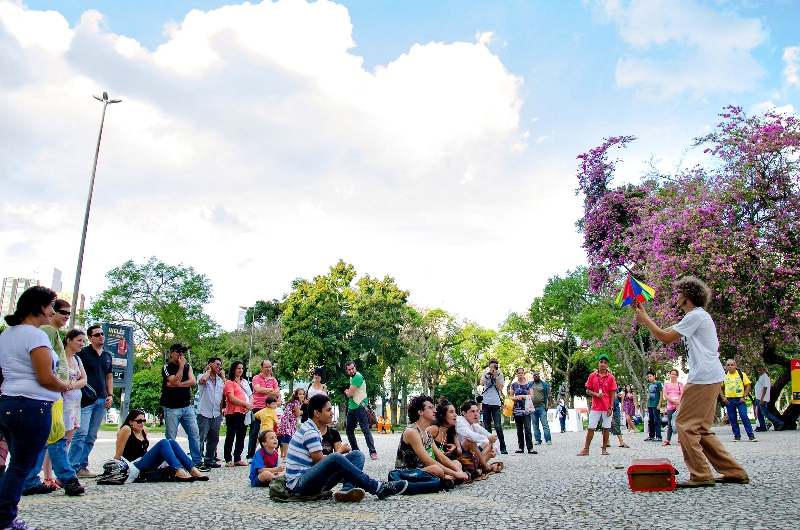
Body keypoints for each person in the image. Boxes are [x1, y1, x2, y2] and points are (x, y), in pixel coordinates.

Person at [634, 275, 749, 487]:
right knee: (701, 429)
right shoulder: (695, 317)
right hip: (710, 376)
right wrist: (644, 315)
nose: (676, 297)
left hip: (704, 377)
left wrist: (645, 320)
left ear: (688, 297)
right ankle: (734, 472)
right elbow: (666, 332)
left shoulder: (696, 316)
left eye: (679, 293)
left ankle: (701, 474)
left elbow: (666, 339)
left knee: (684, 424)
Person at [0, 286, 72, 530]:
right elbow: (45, 377)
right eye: (51, 306)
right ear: (40, 308)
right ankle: (5, 519)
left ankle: (5, 516)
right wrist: (64, 385)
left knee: (16, 465)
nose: (53, 312)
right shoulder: (37, 335)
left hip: (9, 403)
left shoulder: (7, 334)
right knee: (21, 467)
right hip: (32, 406)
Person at [286, 393, 407, 502]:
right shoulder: (310, 432)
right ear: (317, 413)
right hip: (300, 485)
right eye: (328, 410)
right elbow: (318, 462)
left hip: (311, 480)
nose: (332, 413)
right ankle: (378, 487)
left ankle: (347, 490)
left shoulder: (312, 429)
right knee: (335, 458)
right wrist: (338, 454)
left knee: (357, 455)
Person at [22, 301, 86, 497]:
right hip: (50, 394)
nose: (66, 316)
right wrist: (59, 385)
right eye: (62, 312)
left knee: (47, 438)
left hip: (54, 393)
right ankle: (67, 478)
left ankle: (31, 480)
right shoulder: (48, 331)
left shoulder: (51, 333)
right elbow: (45, 363)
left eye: (69, 313)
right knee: (57, 438)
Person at [114, 409, 208, 483]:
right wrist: (115, 469)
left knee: (171, 442)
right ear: (130, 422)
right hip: (133, 465)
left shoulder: (143, 430)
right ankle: (178, 470)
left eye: (144, 420)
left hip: (143, 461)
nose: (142, 423)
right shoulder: (126, 429)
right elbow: (119, 453)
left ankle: (192, 469)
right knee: (163, 442)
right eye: (139, 421)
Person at [69, 324, 113, 478]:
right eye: (97, 335)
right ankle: (72, 467)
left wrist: (110, 395)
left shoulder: (108, 355)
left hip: (102, 399)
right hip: (86, 398)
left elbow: (109, 376)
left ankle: (82, 466)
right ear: (90, 338)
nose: (101, 336)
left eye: (102, 334)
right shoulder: (83, 353)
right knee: (80, 433)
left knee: (91, 436)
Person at [395, 396, 468, 488]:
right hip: (407, 473)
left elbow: (440, 457)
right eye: (430, 408)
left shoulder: (426, 432)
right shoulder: (412, 431)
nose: (435, 411)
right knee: (436, 469)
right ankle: (446, 480)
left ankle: (446, 480)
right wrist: (456, 474)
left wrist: (458, 471)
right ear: (420, 412)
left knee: (457, 464)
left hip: (423, 470)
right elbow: (428, 461)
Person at [161, 344, 202, 468]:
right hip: (171, 407)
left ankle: (197, 461)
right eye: (178, 352)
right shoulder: (167, 367)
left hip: (186, 406)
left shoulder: (188, 367)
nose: (181, 355)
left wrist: (176, 385)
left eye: (182, 352)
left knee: (194, 433)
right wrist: (180, 368)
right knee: (171, 437)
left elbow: (193, 382)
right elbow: (175, 380)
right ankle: (170, 461)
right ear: (171, 353)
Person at [577, 354, 617, 456]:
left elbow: (613, 393)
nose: (603, 364)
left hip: (607, 406)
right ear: (598, 363)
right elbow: (588, 390)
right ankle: (586, 449)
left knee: (606, 427)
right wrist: (596, 394)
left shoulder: (611, 378)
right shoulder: (592, 376)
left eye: (605, 362)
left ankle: (604, 448)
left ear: (607, 365)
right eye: (601, 362)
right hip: (596, 406)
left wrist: (611, 407)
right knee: (591, 427)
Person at [456, 400, 502, 474]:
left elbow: (493, 437)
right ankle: (485, 467)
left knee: (489, 443)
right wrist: (487, 439)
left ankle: (479, 467)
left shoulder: (474, 425)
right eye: (472, 411)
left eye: (477, 411)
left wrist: (495, 448)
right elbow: (470, 435)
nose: (476, 414)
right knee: (469, 441)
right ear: (464, 413)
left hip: (471, 454)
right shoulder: (460, 421)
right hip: (460, 455)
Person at [343, 361, 377, 459]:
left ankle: (373, 451)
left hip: (360, 407)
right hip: (352, 407)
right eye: (349, 370)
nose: (351, 371)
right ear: (347, 371)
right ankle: (356, 451)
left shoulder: (357, 377)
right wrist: (349, 392)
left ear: (355, 368)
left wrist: (346, 392)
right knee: (349, 431)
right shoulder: (352, 378)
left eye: (352, 368)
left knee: (365, 430)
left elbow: (349, 394)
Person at [195, 357, 224, 471]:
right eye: (216, 364)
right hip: (204, 412)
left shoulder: (220, 380)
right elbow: (202, 381)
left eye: (220, 365)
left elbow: (223, 395)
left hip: (216, 413)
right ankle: (197, 460)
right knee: (201, 438)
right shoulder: (203, 377)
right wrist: (208, 371)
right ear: (210, 364)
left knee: (214, 439)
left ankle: (209, 460)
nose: (219, 367)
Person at [248, 360, 280, 460]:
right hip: (257, 408)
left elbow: (277, 393)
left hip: (269, 410)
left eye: (270, 367)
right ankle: (250, 455)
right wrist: (270, 391)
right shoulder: (256, 378)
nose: (268, 369)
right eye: (266, 367)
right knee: (254, 432)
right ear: (261, 368)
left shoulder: (273, 380)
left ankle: (266, 455)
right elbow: (257, 389)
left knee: (268, 433)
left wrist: (265, 391)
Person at [720, 360, 756, 442]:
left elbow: (748, 385)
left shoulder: (741, 374)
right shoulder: (724, 376)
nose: (730, 366)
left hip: (740, 399)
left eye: (732, 365)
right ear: (726, 367)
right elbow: (720, 387)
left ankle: (751, 435)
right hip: (729, 400)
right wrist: (723, 398)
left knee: (744, 416)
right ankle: (737, 436)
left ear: (735, 366)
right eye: (728, 365)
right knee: (732, 418)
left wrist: (744, 396)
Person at [223, 361, 251, 467]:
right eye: (238, 368)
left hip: (244, 412)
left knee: (241, 435)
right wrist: (245, 404)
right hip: (233, 412)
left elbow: (250, 394)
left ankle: (237, 457)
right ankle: (228, 458)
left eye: (242, 368)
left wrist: (249, 405)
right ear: (234, 369)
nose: (240, 370)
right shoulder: (229, 382)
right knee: (230, 435)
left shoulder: (244, 382)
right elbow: (231, 398)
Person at [478, 358, 508, 454]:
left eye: (494, 366)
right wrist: (488, 376)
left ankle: (503, 447)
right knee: (487, 427)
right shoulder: (485, 373)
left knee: (498, 426)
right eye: (491, 366)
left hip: (496, 403)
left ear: (497, 367)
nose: (492, 368)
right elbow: (481, 383)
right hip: (486, 402)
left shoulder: (500, 376)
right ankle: (489, 447)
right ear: (489, 366)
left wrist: (496, 377)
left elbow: (500, 388)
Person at [508, 368, 535, 454]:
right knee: (519, 429)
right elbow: (511, 396)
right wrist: (516, 398)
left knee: (527, 428)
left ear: (524, 374)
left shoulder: (529, 384)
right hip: (517, 409)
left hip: (526, 409)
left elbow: (532, 396)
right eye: (519, 373)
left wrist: (524, 396)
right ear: (517, 374)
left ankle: (530, 447)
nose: (520, 374)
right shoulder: (514, 385)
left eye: (522, 373)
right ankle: (520, 447)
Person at [754, 366, 784, 432]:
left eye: (761, 370)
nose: (759, 372)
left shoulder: (765, 377)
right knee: (759, 414)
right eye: (759, 370)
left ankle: (779, 423)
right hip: (758, 398)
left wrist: (762, 398)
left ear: (764, 370)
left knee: (765, 413)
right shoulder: (761, 377)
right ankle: (762, 427)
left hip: (762, 399)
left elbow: (765, 388)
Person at [279, 389, 304, 459]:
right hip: (289, 422)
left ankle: (287, 454)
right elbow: (297, 414)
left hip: (290, 421)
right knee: (288, 438)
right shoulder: (296, 403)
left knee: (289, 437)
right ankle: (285, 456)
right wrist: (301, 412)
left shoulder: (296, 402)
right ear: (296, 395)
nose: (302, 395)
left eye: (303, 394)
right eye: (300, 394)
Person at [529, 370, 552, 446]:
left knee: (545, 424)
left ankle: (548, 439)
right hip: (533, 408)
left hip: (542, 407)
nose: (536, 376)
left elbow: (549, 395)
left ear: (539, 376)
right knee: (535, 425)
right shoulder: (530, 385)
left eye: (537, 375)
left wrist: (549, 405)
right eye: (534, 375)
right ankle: (538, 439)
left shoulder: (544, 385)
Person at [663, 369, 683, 446]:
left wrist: (678, 402)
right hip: (670, 405)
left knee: (679, 422)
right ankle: (668, 439)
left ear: (677, 376)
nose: (673, 376)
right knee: (670, 422)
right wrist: (673, 401)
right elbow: (665, 394)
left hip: (679, 405)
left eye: (675, 374)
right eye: (672, 374)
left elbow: (682, 393)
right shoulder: (666, 384)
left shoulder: (680, 384)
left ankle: (680, 439)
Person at [644, 371, 664, 442]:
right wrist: (647, 404)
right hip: (650, 404)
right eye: (648, 377)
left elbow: (661, 394)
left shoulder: (658, 383)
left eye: (650, 376)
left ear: (654, 376)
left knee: (656, 420)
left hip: (656, 404)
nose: (649, 378)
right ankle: (651, 435)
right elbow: (648, 395)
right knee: (651, 420)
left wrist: (659, 404)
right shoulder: (649, 385)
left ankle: (658, 436)